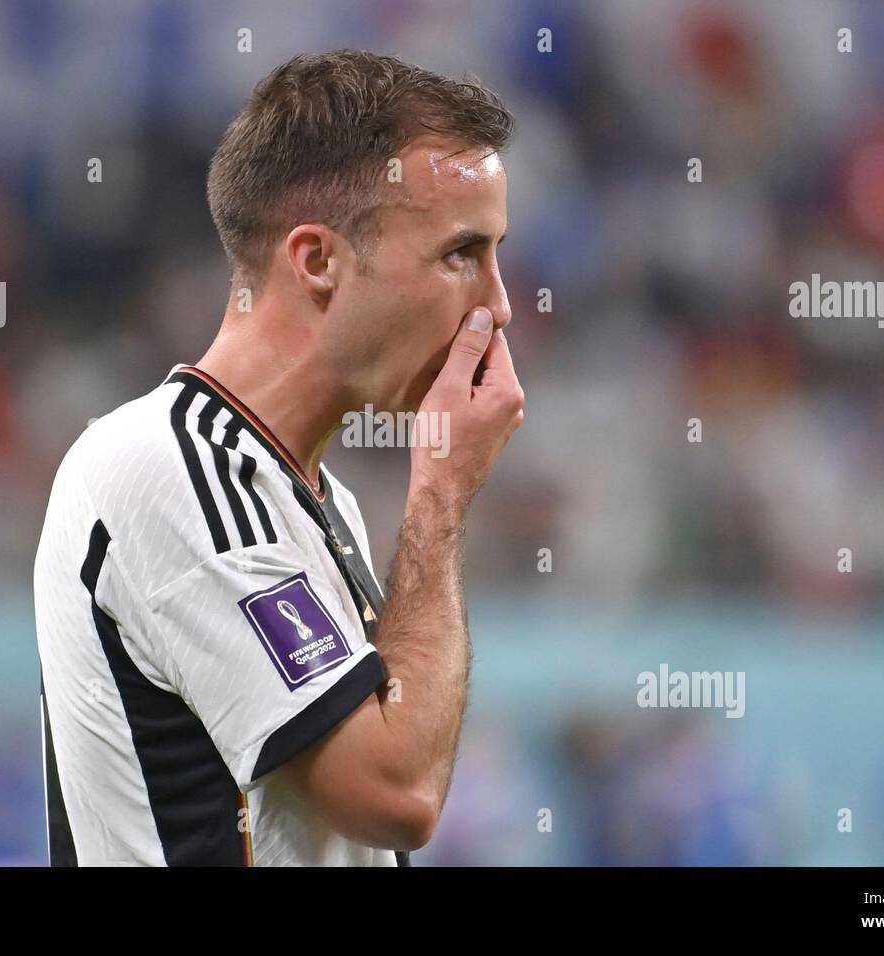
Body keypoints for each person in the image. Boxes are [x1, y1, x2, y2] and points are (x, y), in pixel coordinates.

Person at [33, 48, 522, 866]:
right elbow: (394, 796)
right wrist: (441, 490)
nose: (500, 303)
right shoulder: (169, 469)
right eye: (460, 255)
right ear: (318, 261)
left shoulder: (309, 498)